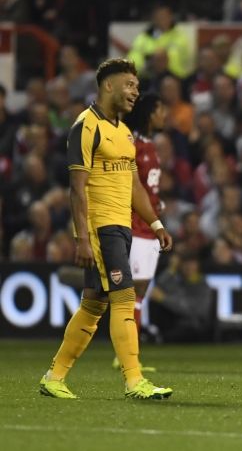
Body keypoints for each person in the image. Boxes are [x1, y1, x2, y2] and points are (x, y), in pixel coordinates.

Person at [39, 59, 174, 400]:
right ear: (108, 85)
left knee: (94, 305)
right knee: (124, 297)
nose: (135, 92)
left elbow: (135, 186)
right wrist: (82, 239)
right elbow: (77, 188)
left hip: (122, 226)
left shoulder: (124, 132)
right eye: (129, 85)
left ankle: (54, 377)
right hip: (102, 227)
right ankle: (134, 380)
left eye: (137, 87)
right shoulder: (86, 127)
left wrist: (156, 223)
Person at [109, 93, 167, 372]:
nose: (164, 115)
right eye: (160, 110)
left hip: (150, 225)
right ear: (149, 114)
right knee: (132, 292)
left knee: (139, 293)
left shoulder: (149, 144)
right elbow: (129, 186)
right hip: (136, 225)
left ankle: (131, 354)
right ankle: (126, 355)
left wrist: (157, 204)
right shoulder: (131, 143)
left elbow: (147, 187)